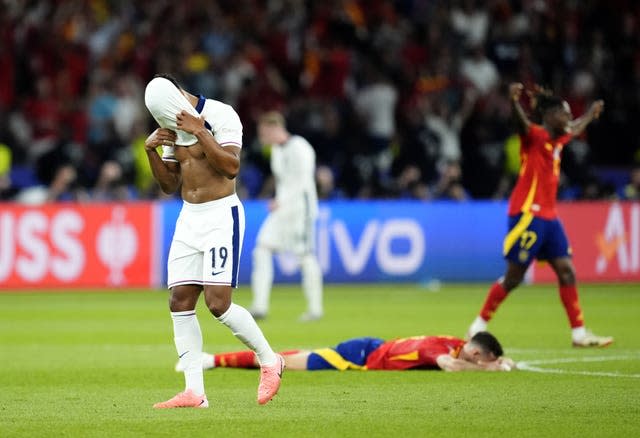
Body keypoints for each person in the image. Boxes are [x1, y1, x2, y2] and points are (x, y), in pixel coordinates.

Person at [143, 74, 284, 408]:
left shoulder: (221, 114)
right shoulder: (170, 124)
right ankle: (195, 392)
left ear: (177, 94)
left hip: (221, 215)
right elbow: (169, 184)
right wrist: (152, 150)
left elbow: (231, 167)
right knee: (179, 300)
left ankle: (269, 359)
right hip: (188, 218)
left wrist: (199, 131)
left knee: (218, 303)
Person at [467, 82, 613, 348]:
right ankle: (478, 324)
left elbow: (576, 127)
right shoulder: (534, 136)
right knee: (514, 277)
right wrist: (513, 102)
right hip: (527, 215)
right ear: (549, 116)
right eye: (564, 113)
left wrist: (590, 114)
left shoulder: (560, 138)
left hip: (550, 217)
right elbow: (520, 122)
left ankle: (579, 333)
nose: (568, 118)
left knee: (567, 271)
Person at [249, 111, 324, 321]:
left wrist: (282, 201)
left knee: (305, 256)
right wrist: (278, 199)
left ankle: (315, 309)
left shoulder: (300, 147)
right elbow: (283, 181)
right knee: (262, 248)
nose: (262, 137)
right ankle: (260, 306)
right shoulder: (276, 150)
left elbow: (302, 182)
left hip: (301, 209)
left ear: (275, 128)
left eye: (264, 132)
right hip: (282, 209)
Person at [177, 331, 515, 372]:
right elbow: (450, 367)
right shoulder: (437, 351)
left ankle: (212, 360)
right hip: (360, 357)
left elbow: (456, 360)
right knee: (285, 363)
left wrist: (499, 361)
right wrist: (492, 370)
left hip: (370, 347)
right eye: (482, 359)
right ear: (475, 353)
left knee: (297, 356)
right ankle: (212, 360)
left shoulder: (454, 342)